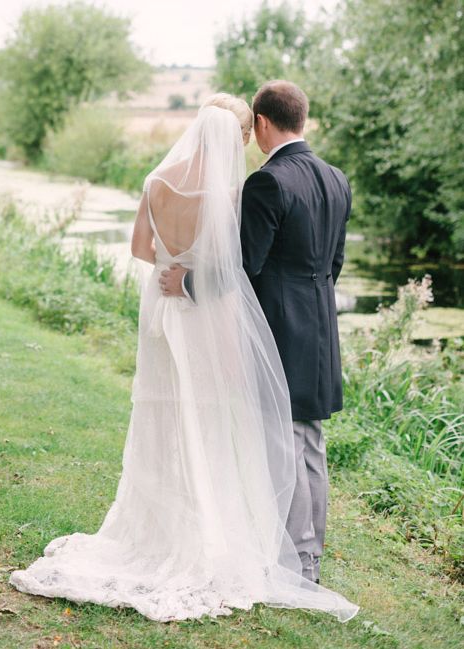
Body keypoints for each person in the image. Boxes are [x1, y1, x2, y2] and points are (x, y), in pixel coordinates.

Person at [9, 93, 358, 623]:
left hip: (175, 307)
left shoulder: (171, 181)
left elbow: (191, 257)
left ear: (261, 123)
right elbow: (317, 264)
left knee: (173, 414)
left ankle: (221, 538)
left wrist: (181, 270)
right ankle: (292, 554)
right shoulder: (330, 179)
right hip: (299, 327)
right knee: (262, 434)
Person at [161, 82, 351, 584]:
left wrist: (186, 281)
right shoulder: (336, 179)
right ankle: (309, 558)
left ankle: (296, 561)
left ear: (263, 122)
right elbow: (334, 265)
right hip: (321, 331)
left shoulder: (269, 182)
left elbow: (241, 267)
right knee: (310, 444)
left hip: (282, 332)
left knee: (283, 444)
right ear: (302, 119)